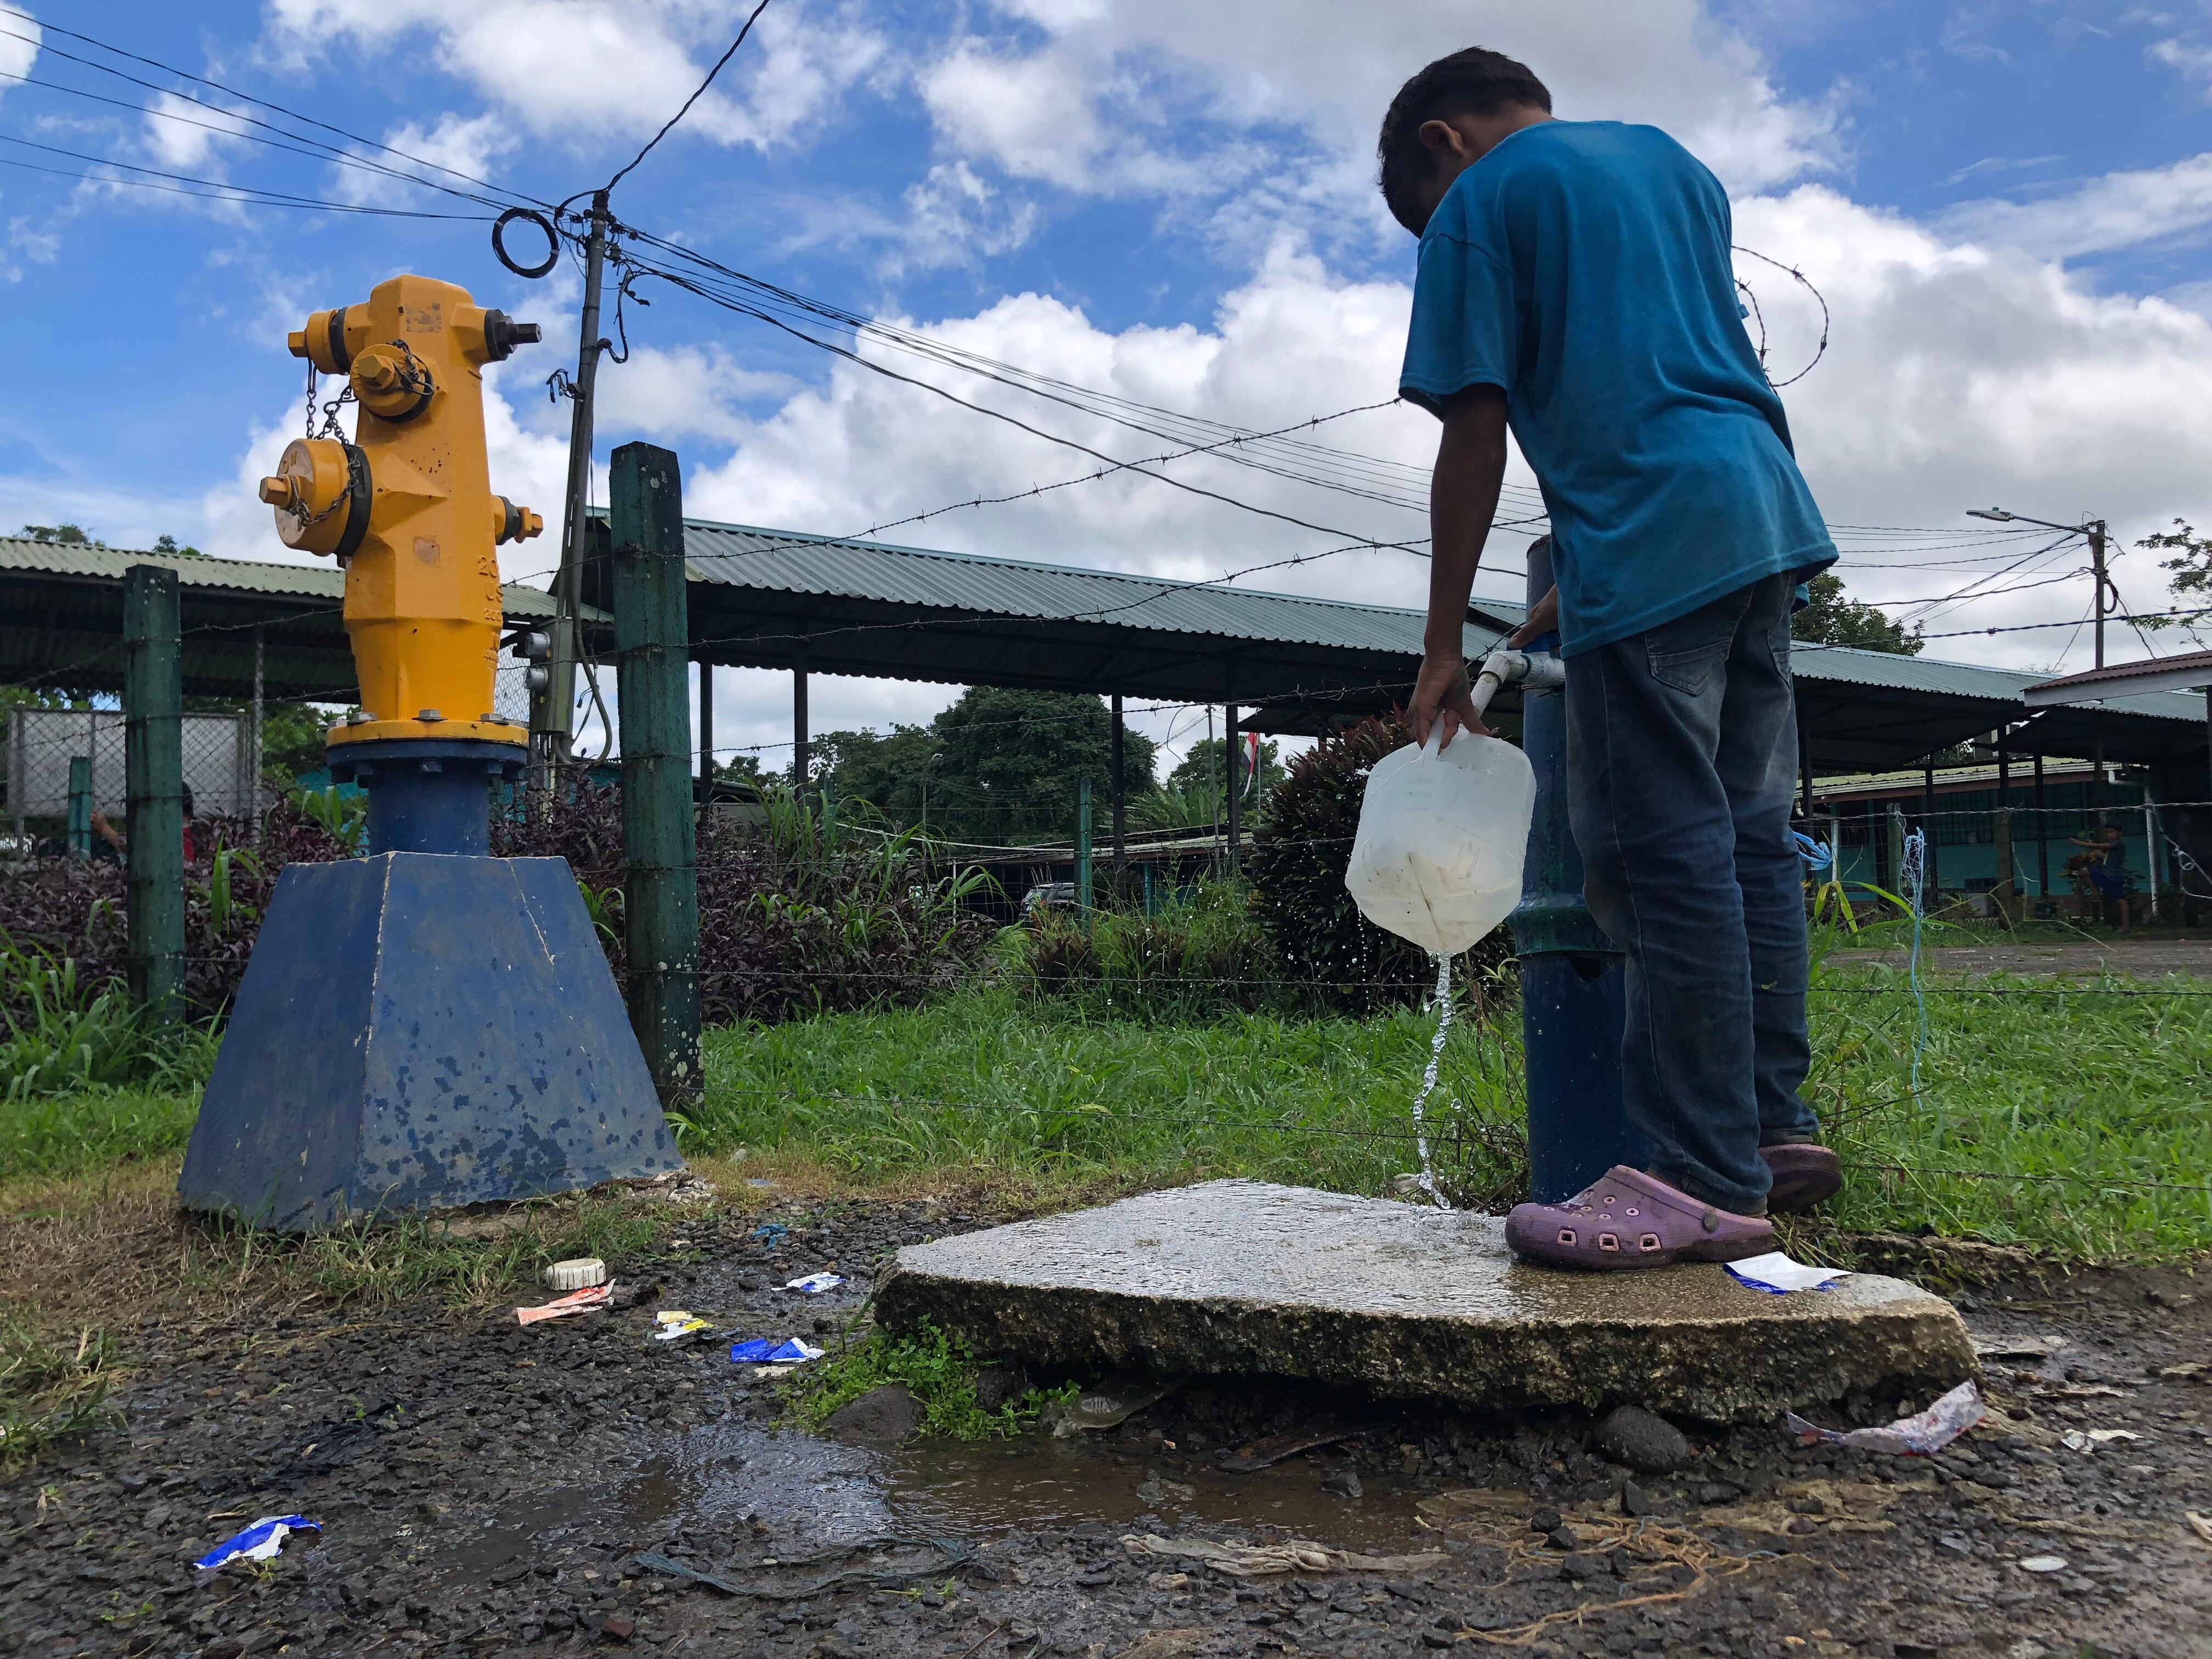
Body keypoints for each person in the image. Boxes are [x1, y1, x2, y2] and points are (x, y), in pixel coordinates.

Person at [1384, 47, 1842, 1270]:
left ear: (1445, 143)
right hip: (1759, 516)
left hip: (1648, 526)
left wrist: (1441, 647)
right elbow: (1649, 369)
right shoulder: (1671, 166)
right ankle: (1769, 1129)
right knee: (1747, 837)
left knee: (1654, 852)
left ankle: (1694, 1173)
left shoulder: (1478, 203)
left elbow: (1473, 436)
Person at [2069, 824, 2131, 931]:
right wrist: (2092, 844)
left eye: (2112, 832)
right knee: (2120, 900)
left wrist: (2077, 843)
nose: (2109, 835)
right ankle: (2096, 894)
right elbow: (2103, 856)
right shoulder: (2114, 847)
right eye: (2108, 833)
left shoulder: (2118, 843)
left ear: (2120, 833)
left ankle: (2125, 926)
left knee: (2121, 900)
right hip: (2107, 875)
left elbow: (2099, 847)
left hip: (2113, 876)